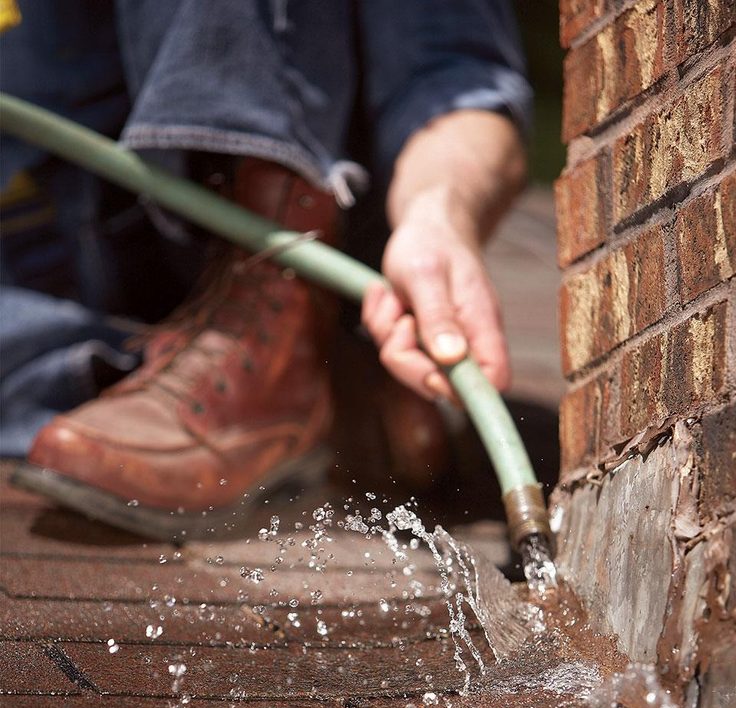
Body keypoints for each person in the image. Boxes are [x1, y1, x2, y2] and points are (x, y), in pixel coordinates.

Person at [0, 0, 531, 538]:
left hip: (305, 223)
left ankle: (282, 347)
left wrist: (436, 217)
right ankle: (337, 399)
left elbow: (455, 82)